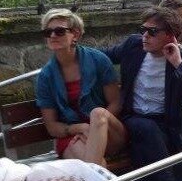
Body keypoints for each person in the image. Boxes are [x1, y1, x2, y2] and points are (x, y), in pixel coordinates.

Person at [103, 6, 182, 181]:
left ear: (170, 35)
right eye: (143, 30)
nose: (145, 36)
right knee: (147, 129)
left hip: (169, 124)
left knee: (170, 148)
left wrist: (178, 63)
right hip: (135, 118)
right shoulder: (133, 46)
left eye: (152, 32)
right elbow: (102, 57)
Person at [35, 9, 128, 166]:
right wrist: (78, 128)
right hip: (72, 134)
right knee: (93, 165)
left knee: (98, 113)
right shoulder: (45, 77)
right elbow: (51, 127)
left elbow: (116, 102)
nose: (52, 36)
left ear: (75, 35)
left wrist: (94, 130)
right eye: (48, 32)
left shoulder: (98, 60)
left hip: (107, 130)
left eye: (59, 31)